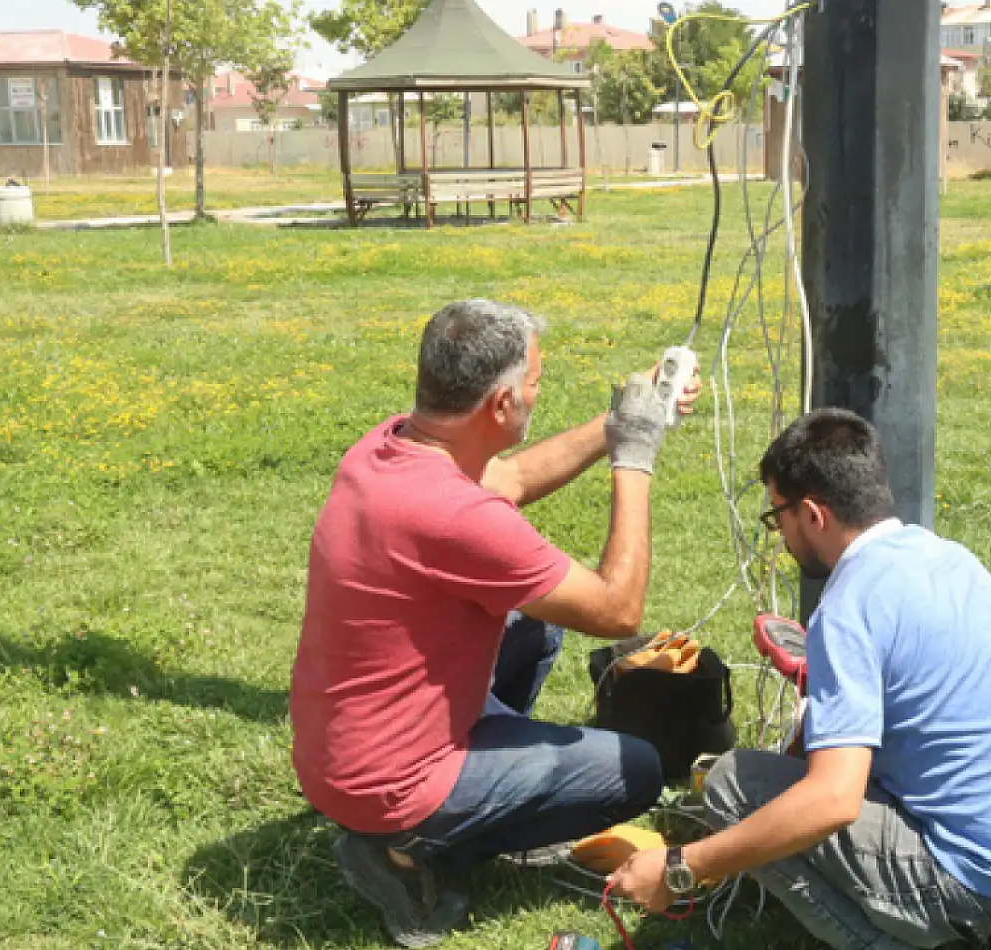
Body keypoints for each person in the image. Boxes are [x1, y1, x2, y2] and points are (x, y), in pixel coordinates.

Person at [289, 299, 699, 948]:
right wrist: (636, 456)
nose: (540, 393)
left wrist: (621, 418)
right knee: (637, 770)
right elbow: (618, 609)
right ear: (501, 406)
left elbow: (505, 477)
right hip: (384, 784)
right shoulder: (456, 517)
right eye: (535, 382)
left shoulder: (390, 445)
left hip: (339, 747)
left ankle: (463, 797)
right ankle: (406, 852)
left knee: (536, 625)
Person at [609, 409, 991, 950]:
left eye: (778, 517)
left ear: (813, 515)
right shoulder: (947, 558)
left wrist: (681, 867)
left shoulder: (847, 608)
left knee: (733, 785)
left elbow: (833, 801)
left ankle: (943, 935)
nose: (780, 534)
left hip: (980, 874)